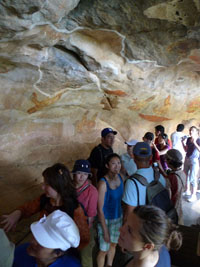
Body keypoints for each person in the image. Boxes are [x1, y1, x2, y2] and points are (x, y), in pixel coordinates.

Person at [1, 163, 89, 249]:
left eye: (47, 184)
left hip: (55, 253)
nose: (42, 187)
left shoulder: (74, 209)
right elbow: (28, 208)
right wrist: (17, 214)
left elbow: (83, 238)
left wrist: (62, 252)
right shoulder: (45, 200)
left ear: (58, 186)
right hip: (39, 244)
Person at [118, 205, 182, 267]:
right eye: (126, 222)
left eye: (129, 231)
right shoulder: (161, 248)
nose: (120, 229)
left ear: (148, 246)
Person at [13, 210, 81, 267]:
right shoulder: (21, 252)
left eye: (42, 242)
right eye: (36, 235)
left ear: (58, 253)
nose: (32, 241)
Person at [122, 142, 166, 223]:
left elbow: (129, 214)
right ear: (151, 157)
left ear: (134, 158)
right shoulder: (159, 176)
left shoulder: (131, 183)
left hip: (141, 227)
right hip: (158, 224)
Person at [97, 153, 124, 267]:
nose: (117, 166)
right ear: (107, 166)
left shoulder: (121, 177)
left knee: (113, 245)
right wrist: (105, 230)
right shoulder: (103, 183)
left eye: (118, 163)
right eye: (113, 163)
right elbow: (99, 209)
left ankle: (109, 265)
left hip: (118, 217)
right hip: (106, 220)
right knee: (103, 250)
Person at [72, 159, 98, 267]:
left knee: (85, 256)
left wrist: (84, 232)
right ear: (74, 174)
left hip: (84, 228)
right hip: (68, 225)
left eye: (85, 174)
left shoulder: (92, 191)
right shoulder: (68, 188)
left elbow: (91, 216)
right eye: (79, 173)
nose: (82, 177)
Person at [165, 149, 186, 224]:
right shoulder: (182, 173)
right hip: (179, 205)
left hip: (172, 208)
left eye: (166, 159)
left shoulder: (171, 177)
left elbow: (168, 196)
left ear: (170, 161)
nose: (165, 161)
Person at [182, 126, 200, 202]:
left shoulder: (198, 140)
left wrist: (195, 142)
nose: (190, 132)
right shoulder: (189, 139)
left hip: (194, 160)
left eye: (192, 130)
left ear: (196, 132)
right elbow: (186, 150)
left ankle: (193, 195)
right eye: (190, 130)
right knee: (186, 175)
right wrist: (182, 142)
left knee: (193, 178)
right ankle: (187, 190)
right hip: (187, 158)